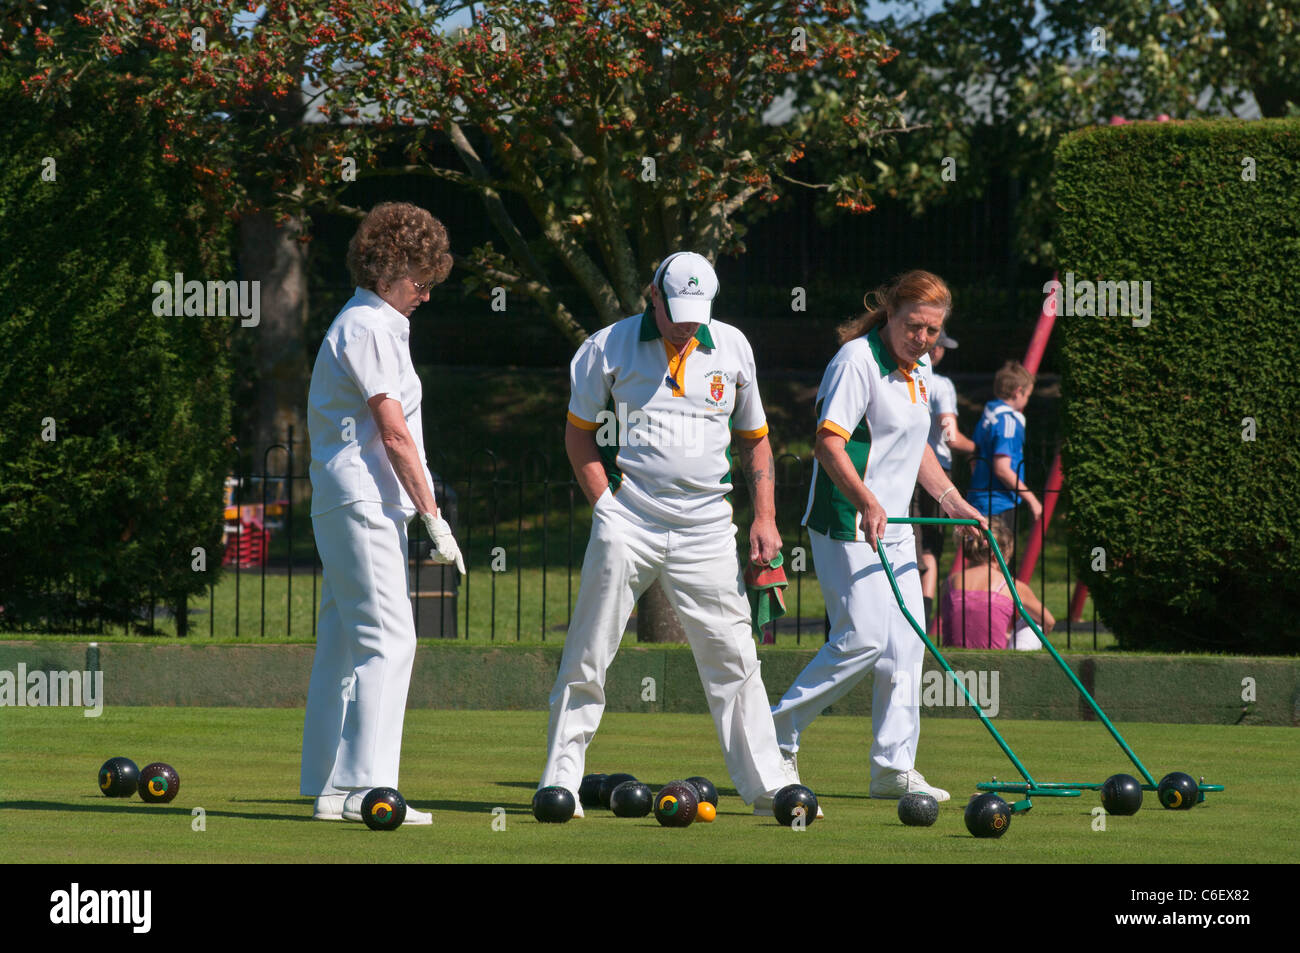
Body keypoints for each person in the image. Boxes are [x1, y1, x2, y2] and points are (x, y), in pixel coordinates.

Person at [539, 251, 795, 815]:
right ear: (652, 295)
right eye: (676, 309)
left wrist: (766, 515)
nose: (686, 323)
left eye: (697, 312)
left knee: (734, 655)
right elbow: (578, 437)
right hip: (629, 516)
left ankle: (767, 786)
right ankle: (557, 782)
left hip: (707, 523)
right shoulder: (606, 347)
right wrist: (605, 506)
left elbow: (754, 439)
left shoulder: (732, 347)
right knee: (589, 650)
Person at [770, 270, 987, 802]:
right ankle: (774, 733)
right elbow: (827, 443)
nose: (923, 338)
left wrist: (956, 504)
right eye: (914, 326)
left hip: (893, 528)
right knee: (863, 638)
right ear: (890, 313)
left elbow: (915, 451)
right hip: (846, 522)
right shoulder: (855, 362)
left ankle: (893, 767)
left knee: (906, 646)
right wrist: (867, 500)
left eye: (933, 330)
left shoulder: (921, 372)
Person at [301, 202, 465, 825]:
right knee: (390, 643)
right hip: (363, 498)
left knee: (344, 641)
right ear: (389, 270)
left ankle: (325, 782)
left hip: (355, 498)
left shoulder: (374, 322)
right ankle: (362, 790)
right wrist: (434, 515)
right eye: (420, 283)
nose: (426, 295)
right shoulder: (369, 325)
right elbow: (393, 431)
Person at [911, 330, 975, 629]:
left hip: (906, 468)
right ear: (934, 351)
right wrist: (978, 448)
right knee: (931, 548)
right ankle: (923, 616)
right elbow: (950, 436)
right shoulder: (941, 385)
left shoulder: (905, 378)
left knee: (909, 539)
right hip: (937, 471)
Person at [941, 517, 1055, 649]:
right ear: (1001, 554)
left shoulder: (949, 583)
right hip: (995, 664)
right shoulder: (1010, 585)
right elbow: (1049, 621)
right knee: (1034, 623)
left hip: (950, 660)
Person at [969, 360, 1042, 544]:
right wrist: (1031, 498)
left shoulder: (988, 415)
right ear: (1018, 391)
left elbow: (973, 456)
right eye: (1028, 395)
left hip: (979, 500)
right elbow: (1002, 468)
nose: (1027, 400)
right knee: (999, 564)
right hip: (1000, 504)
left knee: (979, 560)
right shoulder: (1008, 422)